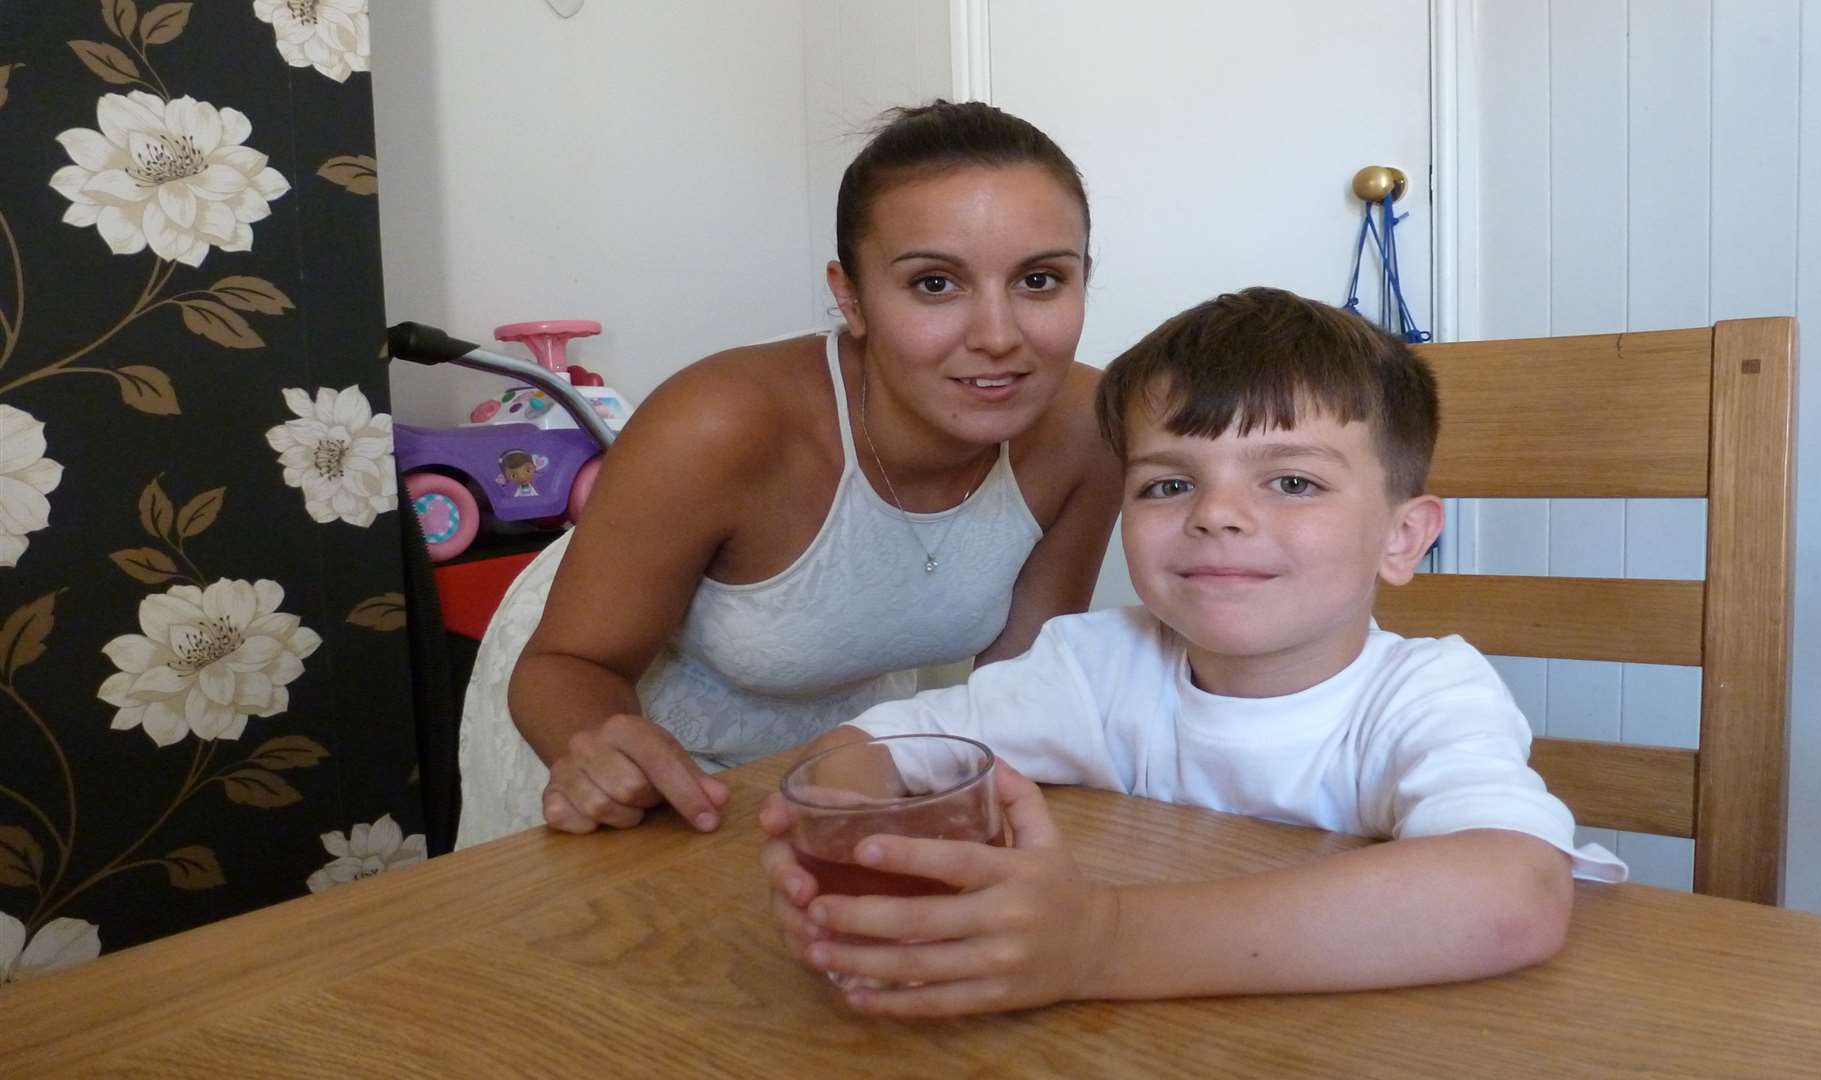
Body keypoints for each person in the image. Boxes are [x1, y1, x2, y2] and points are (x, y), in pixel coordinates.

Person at [758, 287, 1628, 1017]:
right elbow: (872, 746)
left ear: (1404, 537)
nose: (1217, 514)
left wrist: (1096, 944)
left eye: (1293, 481)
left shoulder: (1430, 692)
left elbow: (1513, 895)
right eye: (1169, 484)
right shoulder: (1095, 668)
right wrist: (851, 847)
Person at [454, 101, 1122, 847]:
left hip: (845, 747)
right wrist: (610, 755)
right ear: (851, 297)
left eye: (1039, 280)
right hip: (618, 722)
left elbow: (1017, 689)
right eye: (935, 284)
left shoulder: (1090, 427)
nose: (999, 337)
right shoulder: (715, 425)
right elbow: (565, 663)